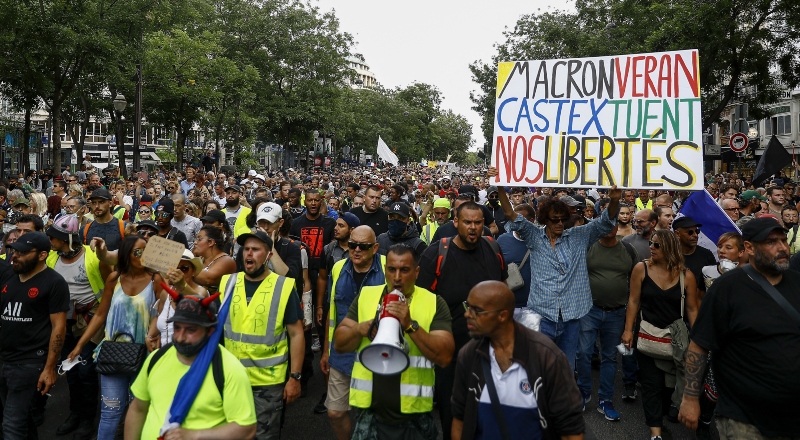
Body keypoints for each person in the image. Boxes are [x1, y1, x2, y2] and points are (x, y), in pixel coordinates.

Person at [490, 166, 621, 372]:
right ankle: (539, 403)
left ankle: (561, 403)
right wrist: (499, 184)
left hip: (571, 317)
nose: (560, 223)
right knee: (538, 368)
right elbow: (509, 212)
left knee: (565, 368)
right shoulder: (533, 236)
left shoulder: (579, 237)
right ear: (544, 219)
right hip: (542, 316)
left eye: (563, 219)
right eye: (555, 219)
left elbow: (605, 223)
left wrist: (614, 200)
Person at [680, 218, 800, 439]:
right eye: (771, 242)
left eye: (783, 240)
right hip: (745, 418)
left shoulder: (796, 282)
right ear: (749, 248)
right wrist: (689, 399)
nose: (782, 247)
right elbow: (699, 346)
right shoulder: (727, 288)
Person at [334, 245, 454, 440]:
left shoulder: (434, 302)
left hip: (414, 418)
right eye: (391, 269)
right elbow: (339, 344)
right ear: (385, 270)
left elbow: (445, 356)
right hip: (369, 416)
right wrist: (360, 329)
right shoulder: (366, 296)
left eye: (404, 270)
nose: (397, 277)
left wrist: (410, 326)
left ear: (416, 272)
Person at [416, 200, 508, 440]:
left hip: (489, 353)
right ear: (456, 222)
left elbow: (503, 292)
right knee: (453, 415)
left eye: (478, 222)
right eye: (467, 222)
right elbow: (420, 302)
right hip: (451, 356)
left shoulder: (493, 249)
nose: (473, 228)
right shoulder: (435, 254)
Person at [451, 281, 585, 439]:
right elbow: (460, 420)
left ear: (502, 315)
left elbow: (571, 431)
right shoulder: (468, 355)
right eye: (468, 307)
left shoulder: (547, 358)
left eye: (477, 311)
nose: (467, 314)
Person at [66, 235, 165, 439]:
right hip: (113, 353)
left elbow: (160, 314)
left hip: (144, 356)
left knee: (138, 412)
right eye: (138, 251)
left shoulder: (155, 280)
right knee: (110, 413)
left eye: (147, 250)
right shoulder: (115, 279)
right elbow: (101, 314)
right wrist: (80, 345)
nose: (144, 255)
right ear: (127, 255)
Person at [129, 292, 254, 440]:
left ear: (210, 331)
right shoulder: (157, 358)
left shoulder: (229, 369)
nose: (180, 337)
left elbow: (247, 429)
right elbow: (138, 409)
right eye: (177, 328)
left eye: (191, 330)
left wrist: (194, 435)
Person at [219, 230, 305, 440]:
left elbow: (296, 334)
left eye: (255, 250)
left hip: (267, 384)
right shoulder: (227, 283)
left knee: (263, 436)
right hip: (231, 380)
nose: (248, 254)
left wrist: (295, 377)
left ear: (268, 256)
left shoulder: (283, 287)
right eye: (246, 249)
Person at [621, 230, 699, 440]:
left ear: (670, 249)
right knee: (651, 384)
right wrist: (628, 330)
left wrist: (699, 338)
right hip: (647, 336)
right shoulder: (641, 269)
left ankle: (663, 413)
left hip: (676, 341)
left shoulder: (686, 275)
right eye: (651, 244)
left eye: (657, 245)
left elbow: (692, 308)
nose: (651, 249)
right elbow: (634, 302)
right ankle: (655, 432)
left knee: (669, 387)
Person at [46, 214, 111, 439]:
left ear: (67, 239)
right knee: (70, 370)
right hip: (64, 322)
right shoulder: (52, 258)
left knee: (85, 371)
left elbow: (108, 287)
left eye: (54, 237)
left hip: (90, 320)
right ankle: (74, 414)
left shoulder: (92, 257)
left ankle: (87, 419)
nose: (50, 241)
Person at [0, 232, 69, 440]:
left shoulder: (54, 283)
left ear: (42, 255)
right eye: (14, 251)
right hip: (4, 359)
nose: (15, 256)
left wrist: (49, 368)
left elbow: (59, 328)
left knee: (11, 425)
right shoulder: (9, 277)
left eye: (22, 252)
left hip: (29, 363)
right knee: (20, 417)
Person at [323, 226, 386, 440]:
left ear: (375, 248)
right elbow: (333, 313)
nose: (356, 250)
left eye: (363, 246)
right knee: (335, 411)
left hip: (377, 356)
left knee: (373, 415)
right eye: (352, 245)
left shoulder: (388, 267)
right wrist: (326, 352)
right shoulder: (338, 268)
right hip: (342, 352)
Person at [576, 224, 636, 421]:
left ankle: (605, 400)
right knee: (584, 353)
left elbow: (636, 280)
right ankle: (584, 392)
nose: (609, 227)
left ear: (618, 226)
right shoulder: (588, 246)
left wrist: (630, 324)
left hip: (617, 313)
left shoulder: (627, 249)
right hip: (589, 310)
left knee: (610, 357)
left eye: (613, 222)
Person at [146, 250, 209, 352]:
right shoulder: (165, 294)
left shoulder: (201, 292)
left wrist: (182, 286)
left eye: (184, 268)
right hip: (165, 357)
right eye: (175, 268)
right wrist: (149, 336)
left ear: (193, 271)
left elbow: (199, 303)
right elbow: (158, 316)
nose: (178, 272)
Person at [496, 203, 536, 310]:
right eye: (513, 220)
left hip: (535, 307)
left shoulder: (540, 240)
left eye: (520, 220)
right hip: (510, 306)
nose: (516, 224)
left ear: (531, 221)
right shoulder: (502, 240)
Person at [672, 216, 717, 298]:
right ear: (677, 234)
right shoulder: (670, 255)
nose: (695, 235)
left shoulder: (706, 254)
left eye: (697, 231)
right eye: (690, 232)